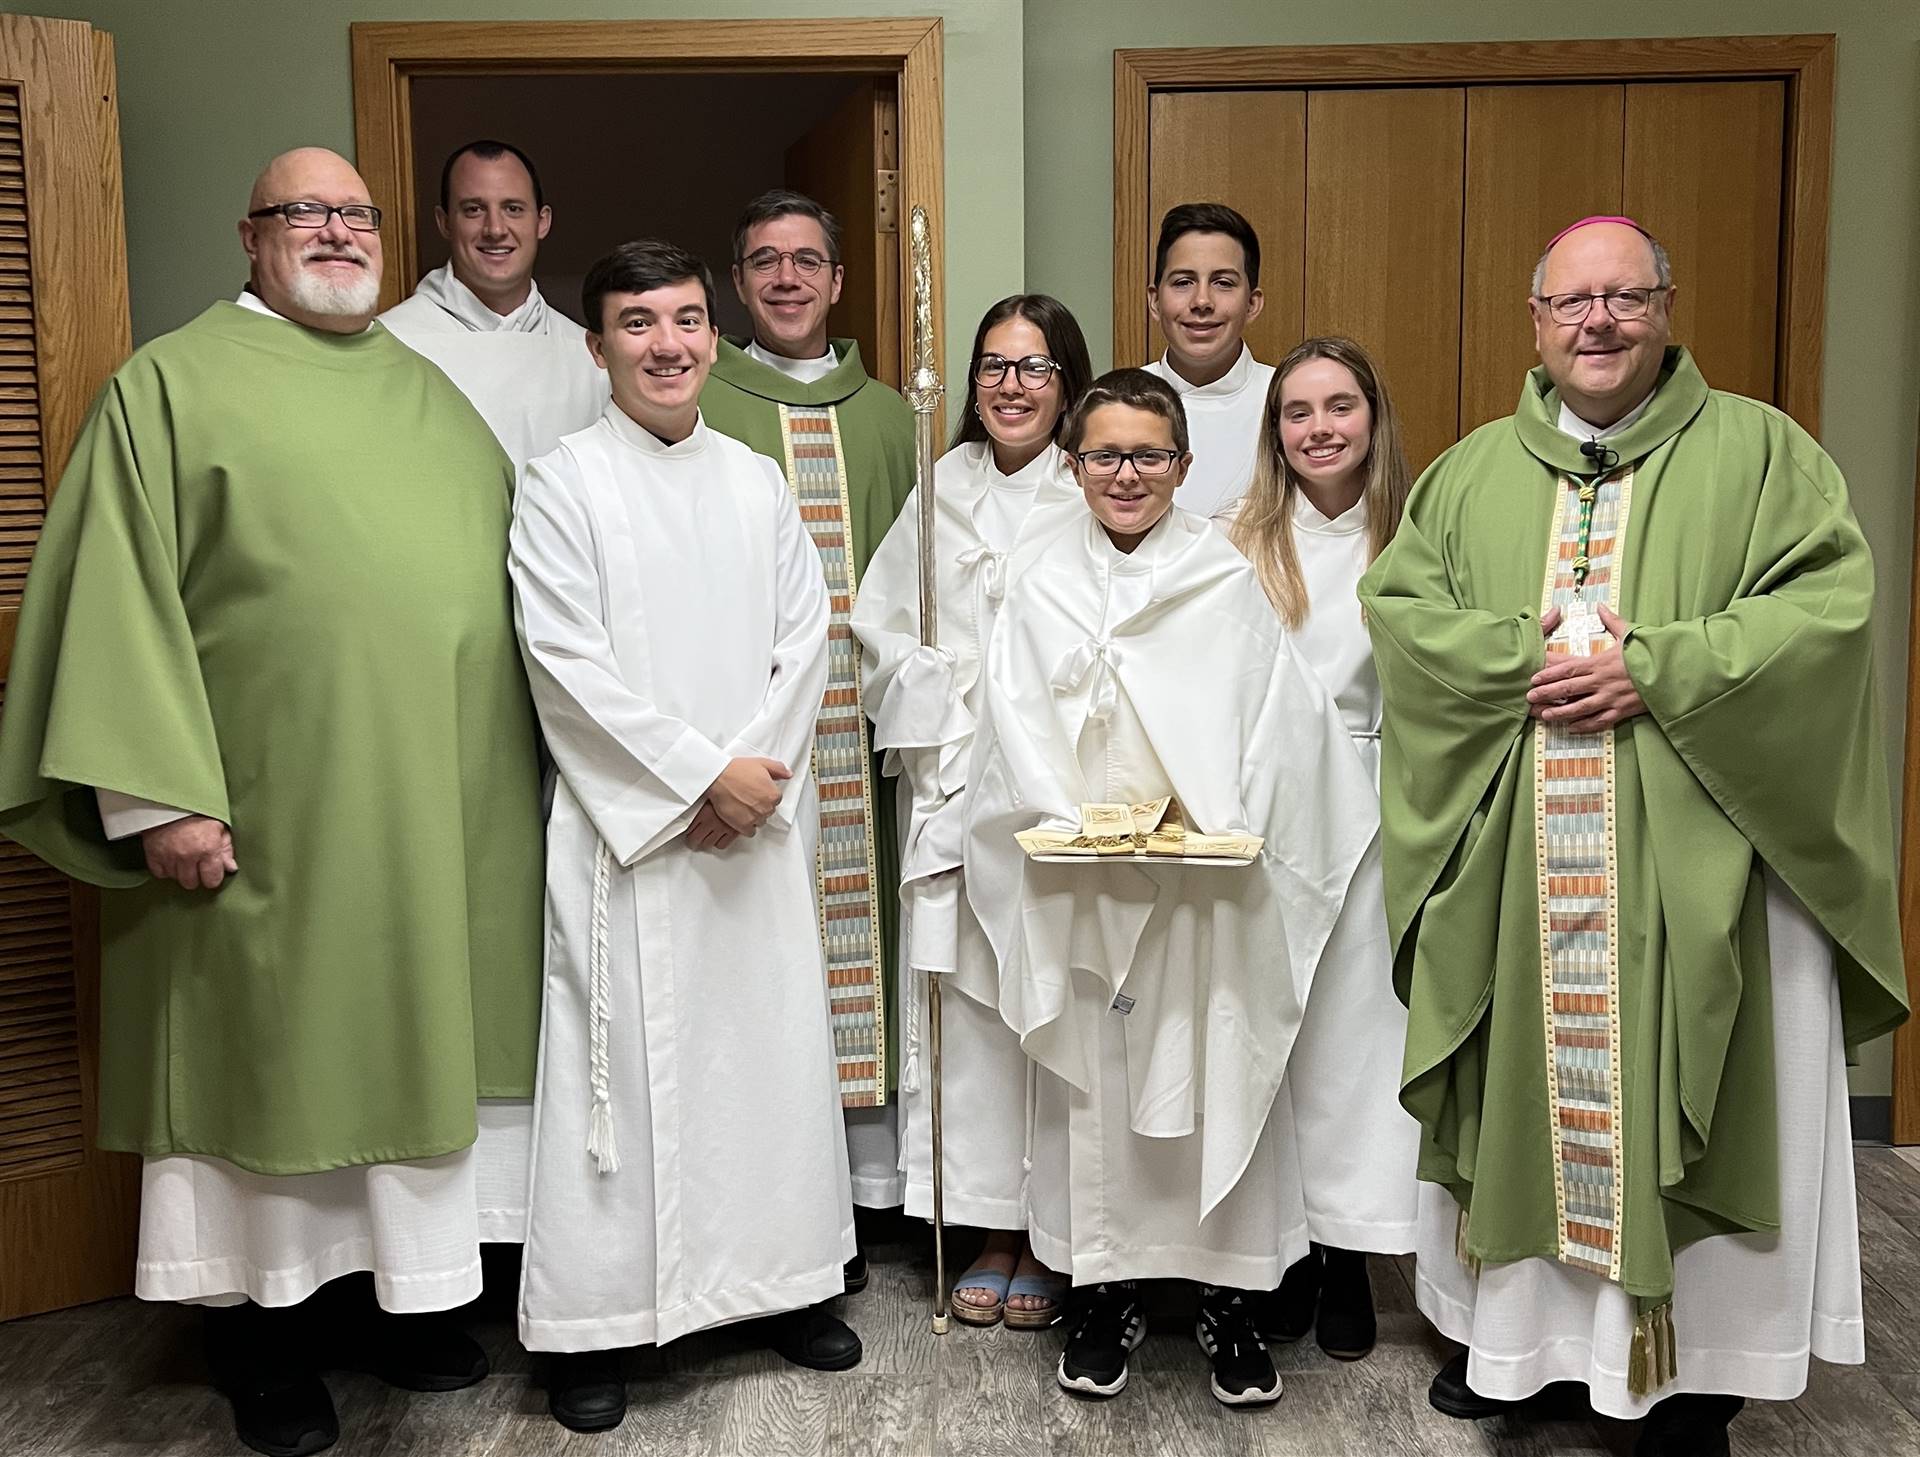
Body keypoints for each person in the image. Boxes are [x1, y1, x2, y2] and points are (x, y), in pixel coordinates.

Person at [0, 147, 545, 1457]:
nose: (336, 232)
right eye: (306, 211)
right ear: (251, 236)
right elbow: (113, 604)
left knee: (411, 1060)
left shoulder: (431, 397)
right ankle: (260, 1336)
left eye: (355, 214)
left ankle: (400, 1304)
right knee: (266, 1075)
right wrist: (160, 799)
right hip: (258, 824)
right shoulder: (169, 388)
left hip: (429, 819)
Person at [1358, 216, 1907, 1457]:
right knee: (1524, 1094)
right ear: (1535, 321)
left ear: (1666, 305)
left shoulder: (1765, 453)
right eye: (1571, 303)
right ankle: (1528, 1352)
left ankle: (1692, 1371)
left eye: (1623, 298)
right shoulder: (1471, 472)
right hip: (1522, 868)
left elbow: (1826, 614)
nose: (1596, 323)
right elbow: (1403, 614)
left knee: (1701, 1080)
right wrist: (1532, 659)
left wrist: (1659, 670)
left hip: (1706, 860)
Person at [963, 368, 1383, 1408]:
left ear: (1185, 468)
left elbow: (1281, 728)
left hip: (1203, 888)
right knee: (1098, 1085)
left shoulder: (1222, 576)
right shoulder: (1038, 575)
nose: (1127, 474)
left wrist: (1222, 819)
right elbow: (1008, 718)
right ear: (1074, 465)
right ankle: (1101, 1290)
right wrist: (1069, 821)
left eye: (1150, 456)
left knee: (1216, 1068)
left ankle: (1229, 1295)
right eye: (1105, 454)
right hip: (1084, 881)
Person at [510, 239, 859, 1433]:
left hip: (750, 835)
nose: (668, 344)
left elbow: (804, 637)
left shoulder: (756, 481)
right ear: (598, 341)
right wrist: (703, 777)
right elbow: (566, 664)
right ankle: (597, 1324)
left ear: (714, 336)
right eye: (639, 322)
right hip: (636, 840)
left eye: (687, 320)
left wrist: (752, 778)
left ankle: (784, 1284)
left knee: (764, 1058)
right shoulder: (562, 482)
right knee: (624, 1072)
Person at [851, 294, 1092, 1330]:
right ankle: (988, 1222)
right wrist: (936, 681)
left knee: (1052, 1003)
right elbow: (878, 628)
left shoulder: (1095, 488)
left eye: (1035, 368)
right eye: (993, 365)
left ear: (1069, 383)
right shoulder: (938, 488)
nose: (1010, 385)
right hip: (955, 783)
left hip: (1052, 792)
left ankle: (1057, 1227)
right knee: (970, 1012)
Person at [701, 189, 916, 1259]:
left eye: (807, 261)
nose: (787, 279)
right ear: (736, 284)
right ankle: (770, 1190)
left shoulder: (890, 416)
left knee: (874, 940)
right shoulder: (703, 404)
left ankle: (873, 1189)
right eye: (764, 261)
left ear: (838, 280)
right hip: (753, 739)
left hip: (868, 741)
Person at [1219, 336, 1422, 1361]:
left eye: (1340, 405)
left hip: (1385, 807)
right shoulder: (1238, 539)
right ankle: (1280, 1252)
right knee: (1275, 1037)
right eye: (1297, 412)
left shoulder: (1417, 537)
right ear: (1275, 431)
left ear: (1373, 418)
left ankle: (1348, 1252)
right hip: (1269, 813)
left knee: (1357, 1043)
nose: (1319, 428)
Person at [380, 139, 608, 472]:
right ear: (444, 222)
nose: (495, 229)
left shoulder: (591, 356)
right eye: (474, 209)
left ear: (542, 221)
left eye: (513, 208)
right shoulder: (391, 343)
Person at [1142, 202, 1273, 519]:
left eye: (1223, 283)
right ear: (1155, 301)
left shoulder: (1289, 403)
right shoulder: (1114, 404)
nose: (1202, 301)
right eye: (1183, 282)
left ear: (1252, 304)